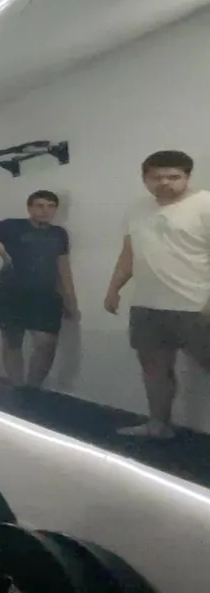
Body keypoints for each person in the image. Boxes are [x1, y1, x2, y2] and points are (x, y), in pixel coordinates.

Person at [105, 150, 210, 439]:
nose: (165, 182)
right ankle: (158, 426)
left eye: (173, 177)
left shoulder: (205, 204)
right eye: (157, 177)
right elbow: (129, 255)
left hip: (196, 306)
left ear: (187, 176)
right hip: (147, 306)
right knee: (154, 370)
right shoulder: (137, 210)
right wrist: (114, 289)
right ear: (145, 179)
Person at [0, 190, 78, 390]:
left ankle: (32, 389)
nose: (45, 210)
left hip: (46, 294)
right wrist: (0, 251)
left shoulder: (59, 234)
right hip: (12, 291)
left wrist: (70, 299)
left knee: (46, 344)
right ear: (30, 208)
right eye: (40, 206)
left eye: (51, 206)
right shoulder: (12, 226)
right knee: (12, 340)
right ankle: (17, 388)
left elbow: (63, 267)